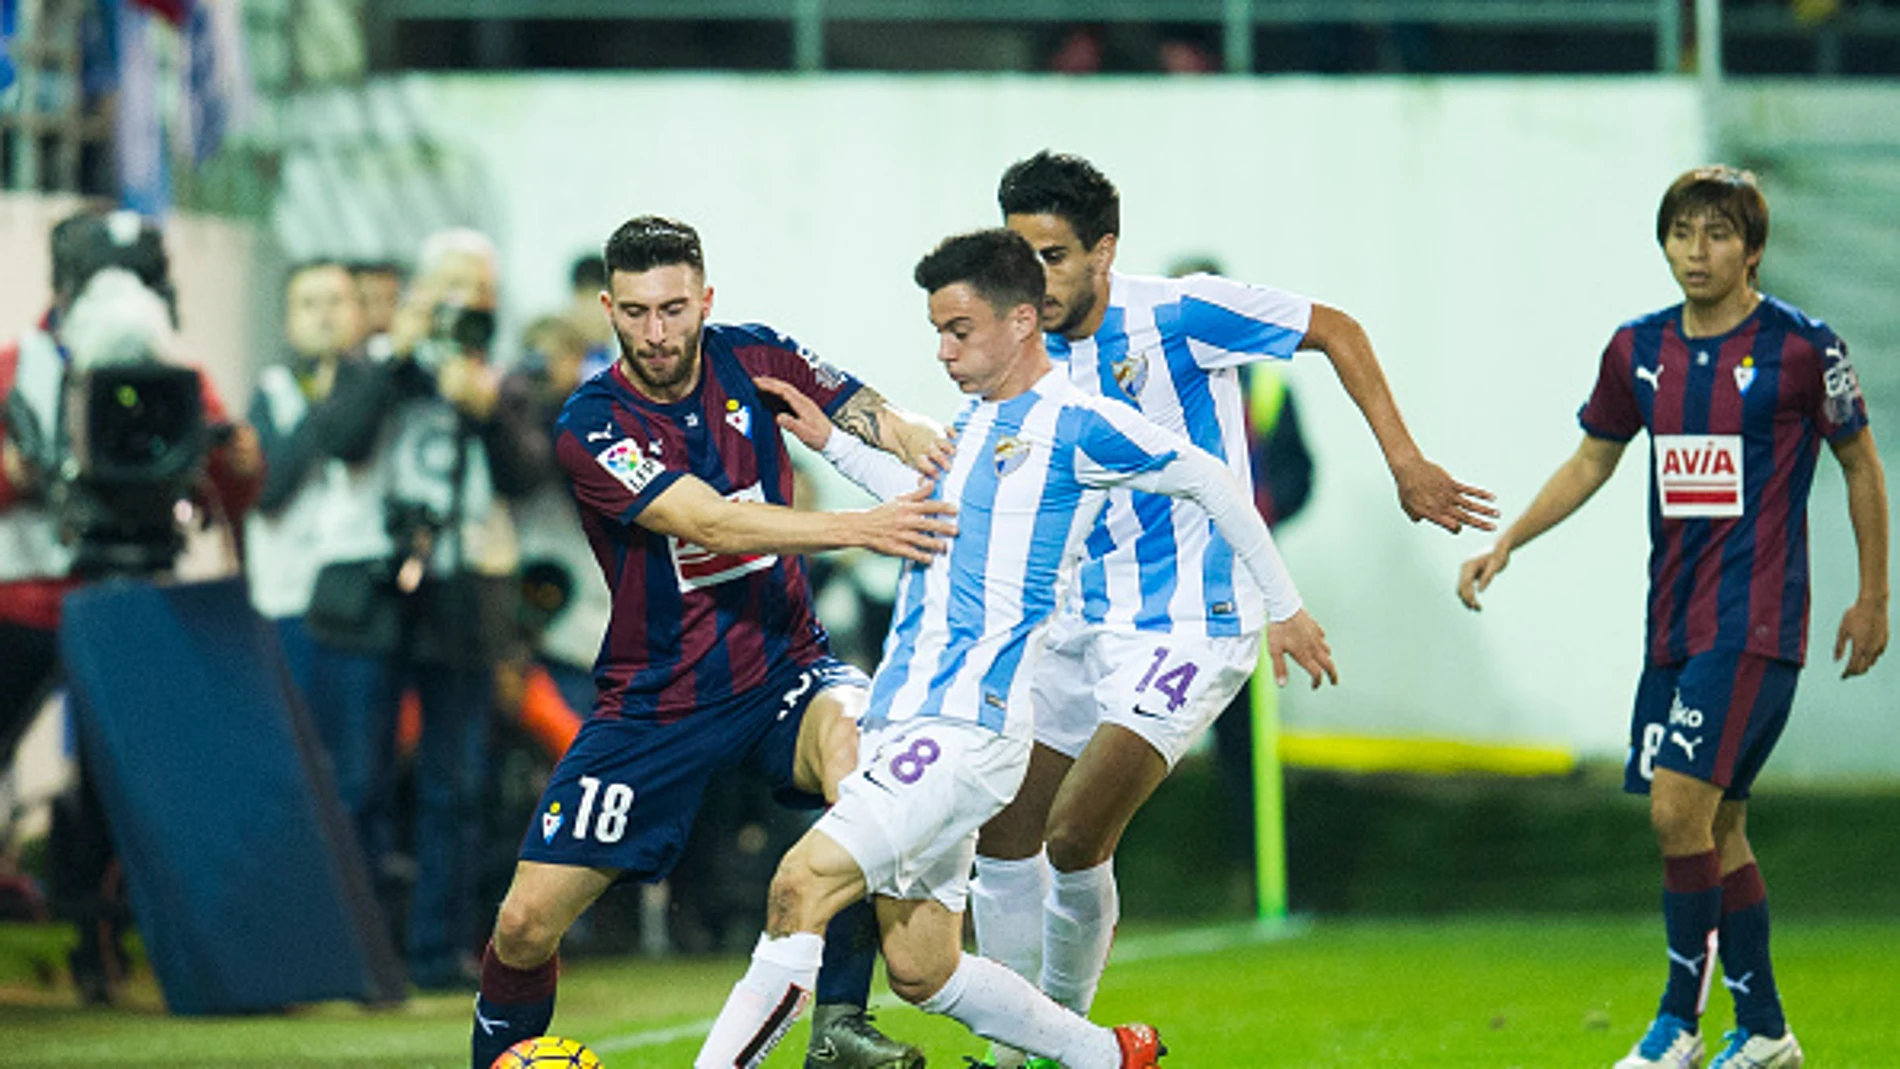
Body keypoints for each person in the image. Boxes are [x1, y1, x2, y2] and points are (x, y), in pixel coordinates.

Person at [692, 227, 1337, 1069]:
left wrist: (1281, 606)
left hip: (962, 728)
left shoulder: (1080, 425)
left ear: (1022, 321)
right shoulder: (975, 426)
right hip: (912, 714)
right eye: (937, 331)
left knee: (799, 884)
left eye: (959, 330)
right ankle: (1105, 1055)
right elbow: (929, 503)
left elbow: (1213, 479)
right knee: (922, 967)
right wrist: (831, 439)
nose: (943, 350)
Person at [968, 150, 1496, 1062]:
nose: (1035, 279)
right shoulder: (1017, 347)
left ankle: (1058, 1039)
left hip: (1188, 624)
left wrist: (1405, 461)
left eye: (1053, 256)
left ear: (1104, 251)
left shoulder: (1178, 311)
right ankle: (1014, 1047)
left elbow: (1337, 328)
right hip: (1072, 621)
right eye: (1020, 256)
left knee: (1072, 833)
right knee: (1002, 833)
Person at [468, 215, 958, 1069]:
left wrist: (926, 438)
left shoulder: (756, 356)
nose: (656, 333)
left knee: (862, 758)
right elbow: (708, 519)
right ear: (608, 309)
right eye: (635, 312)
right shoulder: (592, 424)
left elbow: (865, 409)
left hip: (786, 666)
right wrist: (863, 526)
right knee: (522, 925)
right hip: (658, 698)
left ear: (706, 298)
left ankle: (838, 1023)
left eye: (673, 308)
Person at [1456, 165, 1887, 1069]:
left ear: (1754, 248)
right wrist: (1510, 544)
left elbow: (1860, 466)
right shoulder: (1637, 350)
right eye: (1683, 232)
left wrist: (1873, 595)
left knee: (1675, 810)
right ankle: (1765, 1029)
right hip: (1675, 626)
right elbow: (1591, 461)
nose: (1698, 250)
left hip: (1757, 619)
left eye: (1719, 233)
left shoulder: (1804, 349)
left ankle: (1675, 1025)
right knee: (1717, 826)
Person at [0, 208, 263, 1002]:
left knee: (117, 784)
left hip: (133, 601)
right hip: (23, 597)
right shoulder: (18, 368)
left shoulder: (179, 377)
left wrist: (239, 460)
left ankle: (96, 942)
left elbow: (227, 489)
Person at [308, 228, 541, 990]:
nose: (459, 304)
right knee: (360, 777)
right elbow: (337, 439)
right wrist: (398, 357)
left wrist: (486, 410)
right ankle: (359, 949)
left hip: (467, 588)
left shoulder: (501, 380)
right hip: (378, 583)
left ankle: (437, 949)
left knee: (456, 782)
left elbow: (527, 475)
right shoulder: (377, 362)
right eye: (445, 286)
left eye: (474, 290)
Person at [245, 259, 369, 701]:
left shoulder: (380, 386)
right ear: (287, 322)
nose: (325, 315)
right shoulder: (274, 391)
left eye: (336, 301)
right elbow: (266, 490)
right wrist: (322, 407)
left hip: (361, 608)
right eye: (309, 304)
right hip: (289, 600)